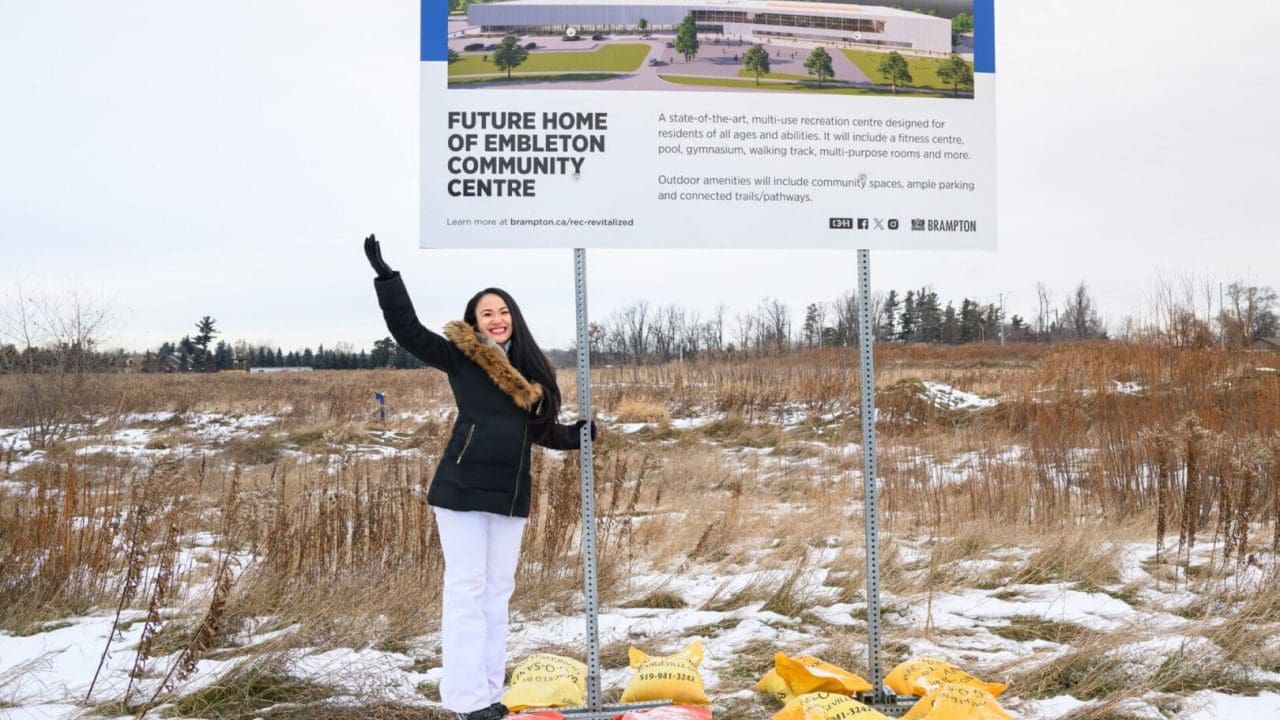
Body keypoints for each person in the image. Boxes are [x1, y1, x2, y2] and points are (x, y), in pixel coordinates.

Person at [364, 235, 596, 720]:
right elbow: (407, 331)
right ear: (474, 322)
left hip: (510, 491)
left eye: (503, 310)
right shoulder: (461, 357)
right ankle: (465, 701)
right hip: (463, 487)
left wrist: (576, 437)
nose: (496, 318)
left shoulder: (533, 370)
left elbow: (541, 432)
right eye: (486, 313)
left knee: (498, 592)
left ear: (514, 317)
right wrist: (387, 278)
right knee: (466, 590)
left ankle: (489, 692)